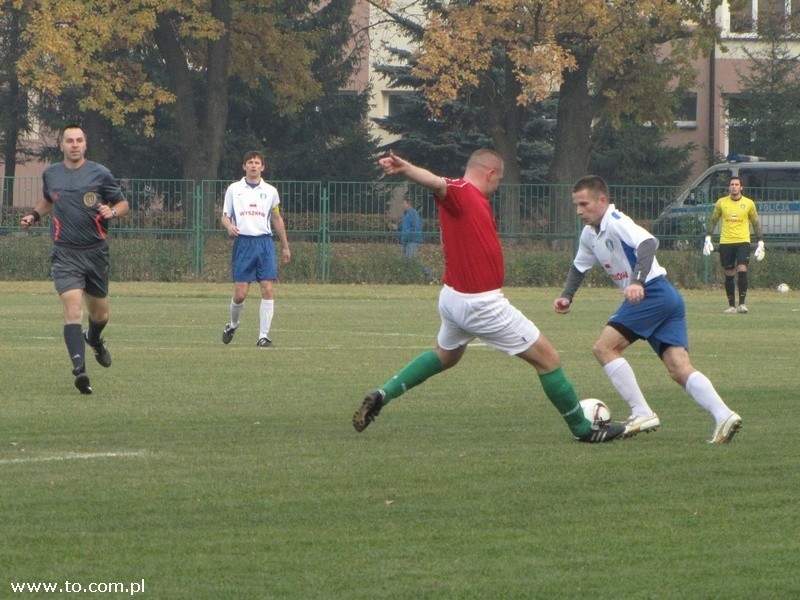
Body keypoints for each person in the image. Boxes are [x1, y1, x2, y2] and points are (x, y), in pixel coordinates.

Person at [352, 150, 626, 443]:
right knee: (549, 359)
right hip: (481, 303)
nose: (498, 186)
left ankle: (383, 393)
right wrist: (406, 168)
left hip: (453, 297)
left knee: (445, 356)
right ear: (491, 174)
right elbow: (436, 183)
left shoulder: (473, 200)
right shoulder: (462, 192)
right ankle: (584, 430)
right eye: (500, 180)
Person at [555, 175, 742, 444]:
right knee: (679, 368)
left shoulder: (617, 222)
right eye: (576, 205)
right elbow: (579, 266)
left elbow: (648, 243)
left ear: (602, 201)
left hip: (651, 292)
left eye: (584, 204)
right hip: (666, 296)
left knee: (604, 348)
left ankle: (641, 412)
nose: (579, 211)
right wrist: (566, 296)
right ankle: (723, 414)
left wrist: (636, 281)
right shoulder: (589, 234)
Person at [20, 123, 129, 394]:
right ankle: (80, 370)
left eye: (79, 140)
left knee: (100, 314)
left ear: (85, 144)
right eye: (69, 140)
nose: (74, 145)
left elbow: (123, 204)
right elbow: (48, 200)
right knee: (73, 311)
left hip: (95, 252)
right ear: (62, 145)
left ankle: (94, 339)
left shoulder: (100, 173)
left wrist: (111, 212)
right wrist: (34, 215)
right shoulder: (51, 174)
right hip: (64, 252)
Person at [220, 151, 291, 347]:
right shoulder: (234, 189)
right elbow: (225, 216)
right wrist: (229, 226)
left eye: (257, 163)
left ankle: (263, 336)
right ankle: (233, 324)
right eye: (250, 162)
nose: (253, 166)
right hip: (243, 243)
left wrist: (285, 246)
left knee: (267, 287)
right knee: (241, 293)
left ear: (262, 167)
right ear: (244, 166)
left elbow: (276, 218)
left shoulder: (270, 191)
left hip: (264, 243)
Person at [703, 176, 764, 314]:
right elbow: (713, 220)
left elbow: (755, 222)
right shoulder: (721, 203)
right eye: (732, 184)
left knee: (742, 269)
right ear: (729, 187)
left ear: (741, 187)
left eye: (737, 184)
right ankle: (731, 306)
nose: (734, 187)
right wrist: (708, 237)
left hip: (743, 241)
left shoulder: (748, 203)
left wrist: (760, 240)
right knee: (729, 272)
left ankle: (742, 304)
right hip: (726, 242)